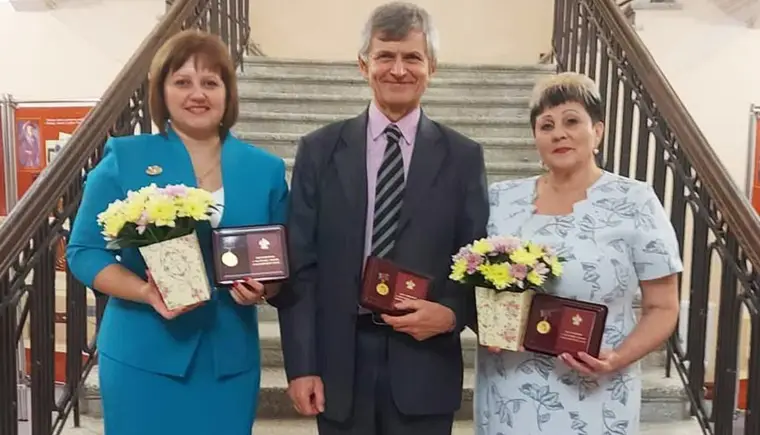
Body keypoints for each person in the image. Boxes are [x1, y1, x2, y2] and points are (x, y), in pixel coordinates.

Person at [276, 2, 489, 434]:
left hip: (424, 362)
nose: (398, 70)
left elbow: (475, 258)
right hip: (340, 362)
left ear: (432, 65)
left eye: (412, 57)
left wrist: (451, 315)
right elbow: (302, 266)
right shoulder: (319, 151)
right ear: (363, 65)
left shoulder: (464, 157)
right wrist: (302, 365)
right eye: (384, 56)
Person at [66, 29, 290, 435]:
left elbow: (279, 261)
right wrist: (145, 291)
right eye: (182, 82)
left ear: (227, 92)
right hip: (143, 353)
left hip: (228, 358)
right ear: (162, 92)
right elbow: (83, 251)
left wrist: (266, 289)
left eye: (210, 82)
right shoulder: (125, 158)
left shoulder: (265, 170)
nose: (197, 93)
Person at [475, 72, 682, 434]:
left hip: (596, 389)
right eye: (546, 125)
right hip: (510, 389)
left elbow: (663, 307)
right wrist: (485, 325)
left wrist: (617, 358)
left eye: (572, 121)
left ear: (597, 131)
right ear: (535, 137)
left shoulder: (634, 201)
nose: (559, 133)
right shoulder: (501, 198)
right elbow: (474, 280)